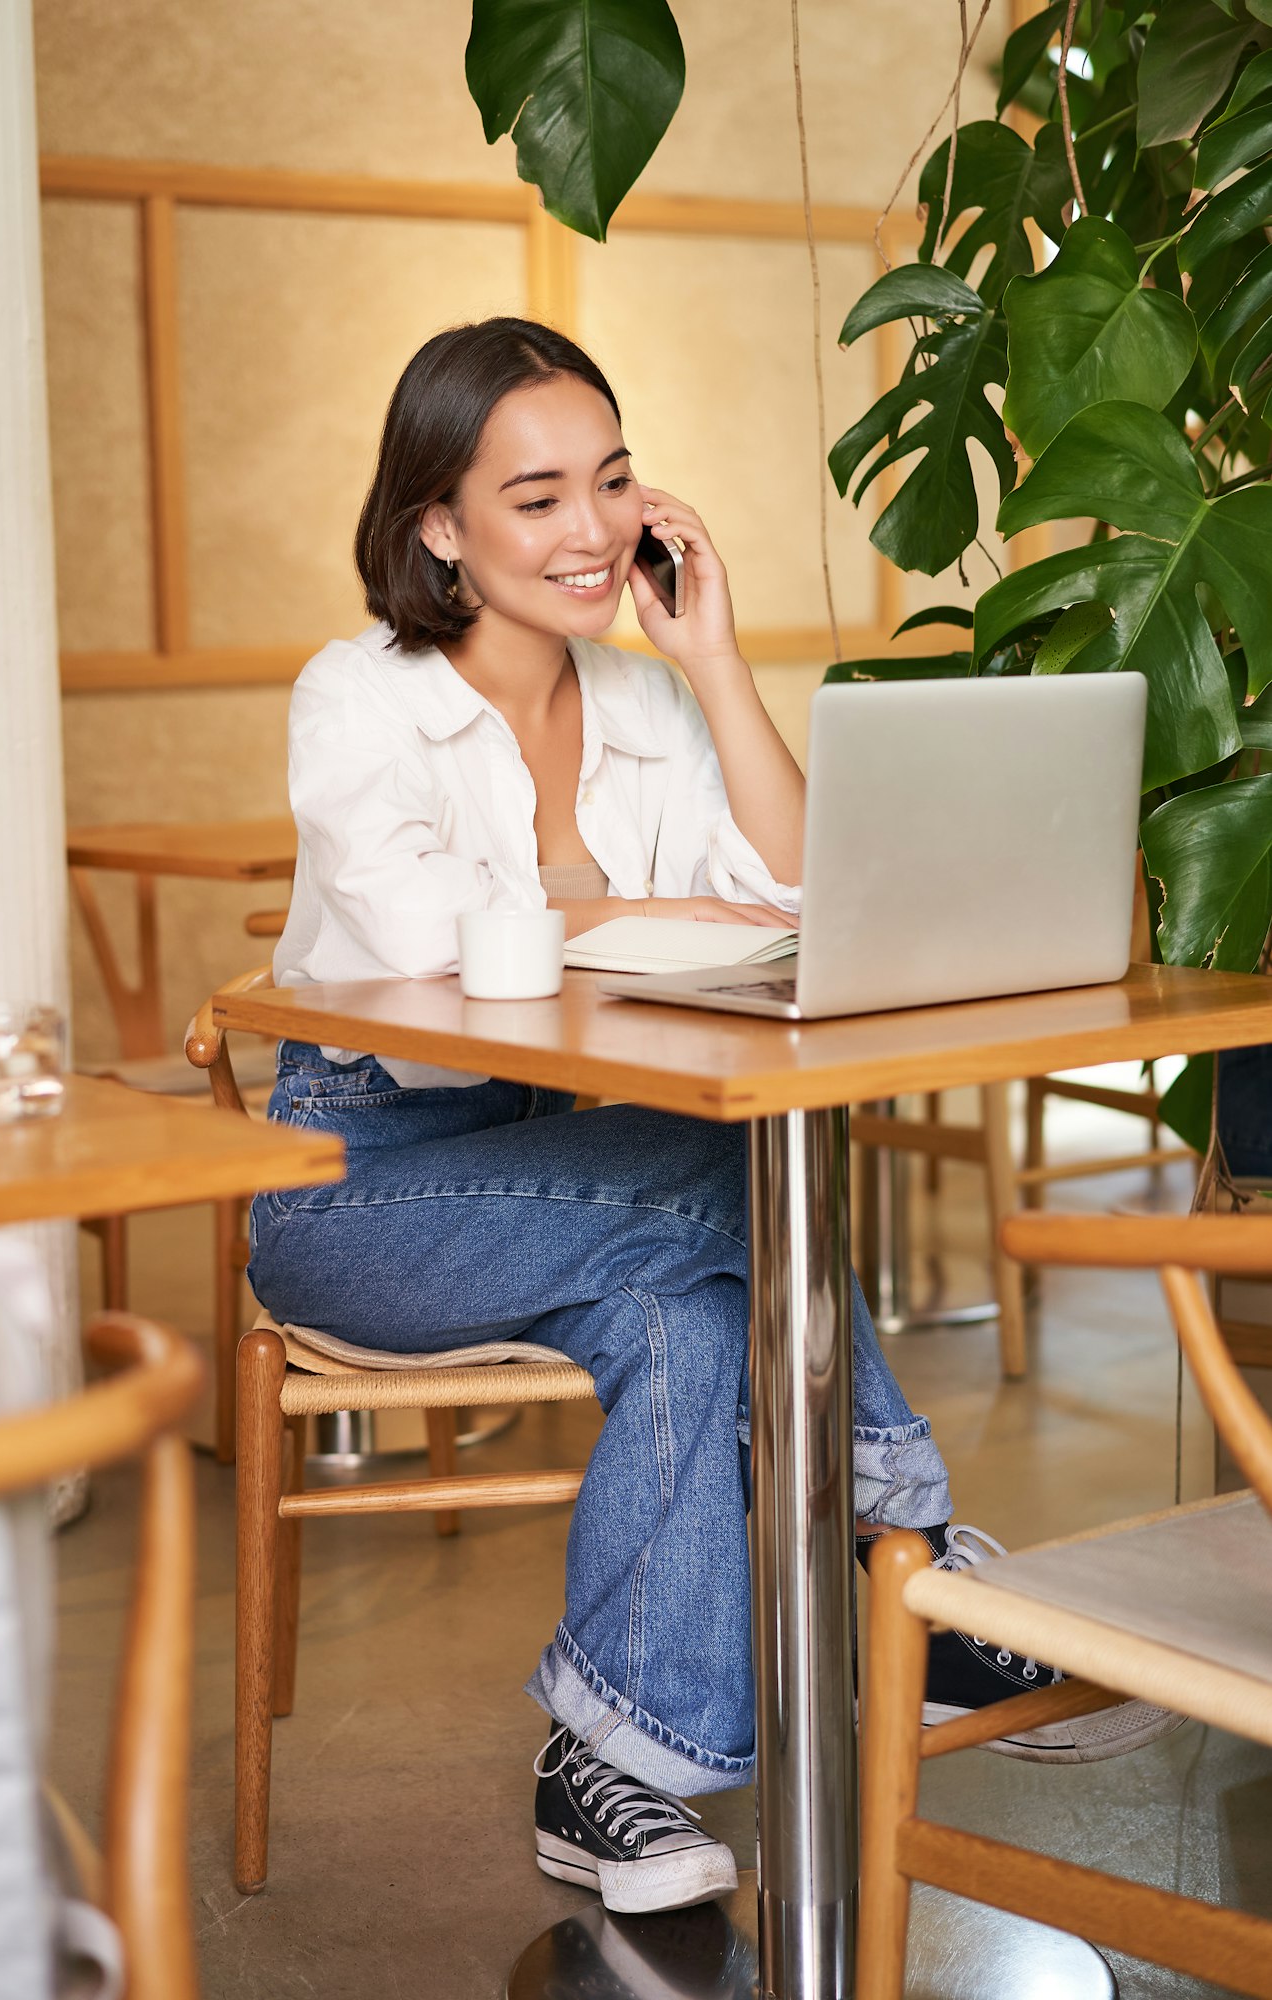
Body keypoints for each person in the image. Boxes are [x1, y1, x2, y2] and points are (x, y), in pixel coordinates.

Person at [250, 317, 1176, 1916]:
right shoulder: (357, 695)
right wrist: (641, 905)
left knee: (690, 1318)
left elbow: (799, 893)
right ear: (438, 528)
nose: (593, 528)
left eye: (612, 480)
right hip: (360, 1187)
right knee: (732, 1170)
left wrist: (715, 666)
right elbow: (417, 936)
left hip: (582, 1172)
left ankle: (613, 1762)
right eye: (536, 496)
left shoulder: (643, 702)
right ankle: (909, 1558)